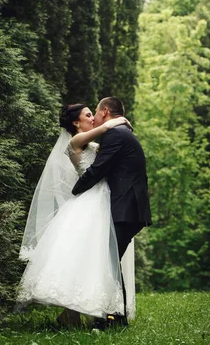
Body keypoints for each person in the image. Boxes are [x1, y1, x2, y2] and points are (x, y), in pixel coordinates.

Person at [16, 103, 135, 327]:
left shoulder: (91, 143)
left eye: (93, 114)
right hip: (89, 201)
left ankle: (70, 316)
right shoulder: (75, 142)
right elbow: (104, 129)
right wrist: (118, 121)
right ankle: (71, 315)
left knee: (87, 256)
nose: (92, 118)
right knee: (80, 253)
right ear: (75, 122)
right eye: (88, 115)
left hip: (101, 198)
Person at [72, 97, 152, 328]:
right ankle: (113, 317)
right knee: (108, 260)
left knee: (107, 260)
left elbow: (98, 169)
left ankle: (112, 319)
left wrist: (76, 192)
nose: (94, 118)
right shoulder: (120, 133)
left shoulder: (116, 135)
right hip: (128, 207)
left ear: (105, 112)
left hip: (127, 208)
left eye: (95, 113)